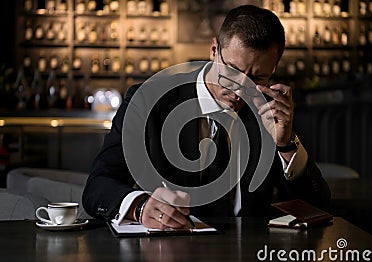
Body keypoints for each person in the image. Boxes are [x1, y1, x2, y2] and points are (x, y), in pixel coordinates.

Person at [82, 5, 331, 230]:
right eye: (232, 70)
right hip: (171, 251)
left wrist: (285, 145)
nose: (239, 88)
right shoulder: (148, 100)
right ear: (214, 50)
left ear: (273, 70)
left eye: (257, 79)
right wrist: (141, 208)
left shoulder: (271, 111)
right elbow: (98, 186)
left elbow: (318, 206)